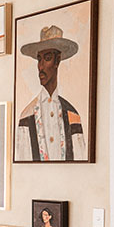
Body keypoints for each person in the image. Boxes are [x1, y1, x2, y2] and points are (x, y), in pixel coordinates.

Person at [15, 25, 87, 161]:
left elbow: (81, 162)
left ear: (57, 61)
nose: (41, 67)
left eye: (47, 58)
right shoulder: (27, 115)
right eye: (39, 59)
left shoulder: (72, 115)